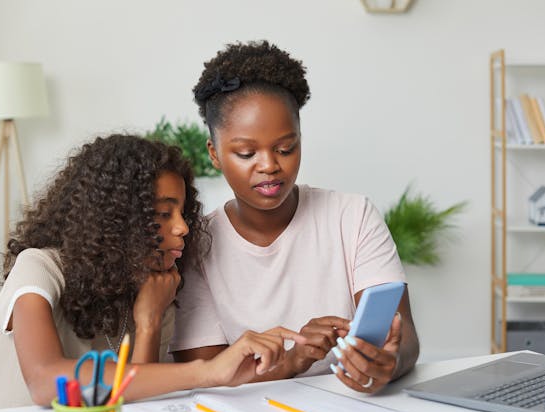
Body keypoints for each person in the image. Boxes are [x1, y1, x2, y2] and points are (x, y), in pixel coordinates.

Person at [0, 134, 305, 410]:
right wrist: (207, 372)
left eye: (182, 212)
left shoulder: (156, 287)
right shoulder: (39, 267)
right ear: (114, 221)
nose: (182, 227)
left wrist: (149, 320)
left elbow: (134, 406)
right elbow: (44, 380)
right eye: (163, 214)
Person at [171, 41, 420, 393]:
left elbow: (404, 336)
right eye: (246, 153)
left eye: (286, 148)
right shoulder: (198, 243)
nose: (270, 165)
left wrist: (388, 363)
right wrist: (294, 360)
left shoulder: (352, 216)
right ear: (214, 153)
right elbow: (207, 376)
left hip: (354, 410)